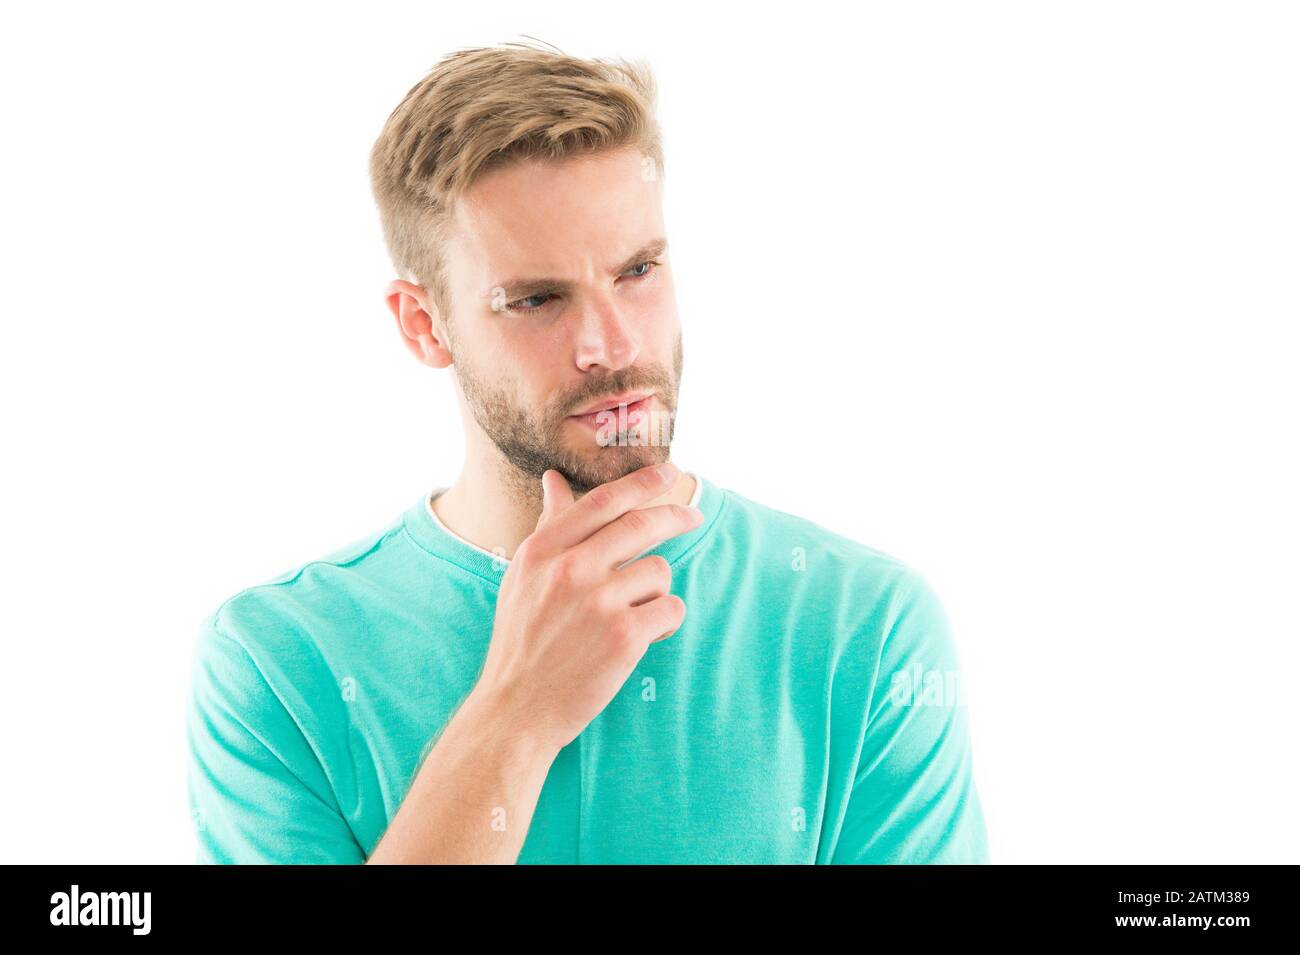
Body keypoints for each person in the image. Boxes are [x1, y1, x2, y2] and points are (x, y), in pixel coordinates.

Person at [186, 40, 990, 864]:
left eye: (637, 270)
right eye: (537, 299)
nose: (612, 344)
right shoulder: (275, 668)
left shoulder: (865, 627)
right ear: (423, 324)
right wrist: (517, 711)